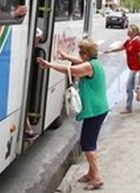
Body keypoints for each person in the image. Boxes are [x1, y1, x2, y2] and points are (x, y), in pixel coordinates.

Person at [37, 39, 108, 191]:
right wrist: (66, 56)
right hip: (98, 109)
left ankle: (97, 178)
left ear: (86, 54)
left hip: (95, 111)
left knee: (88, 145)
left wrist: (49, 65)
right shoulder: (95, 63)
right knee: (87, 142)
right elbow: (79, 63)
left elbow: (71, 71)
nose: (80, 55)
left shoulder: (88, 66)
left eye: (81, 52)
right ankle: (90, 173)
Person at [104, 24, 140, 113]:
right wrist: (110, 51)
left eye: (130, 30)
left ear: (134, 32)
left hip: (136, 69)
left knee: (130, 87)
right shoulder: (129, 41)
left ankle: (128, 107)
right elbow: (121, 48)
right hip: (132, 67)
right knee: (137, 87)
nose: (128, 31)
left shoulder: (137, 42)